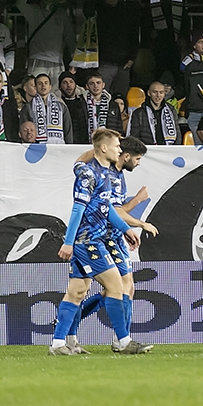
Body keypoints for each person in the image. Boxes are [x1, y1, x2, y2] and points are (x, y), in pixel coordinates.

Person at [50, 128, 150, 355]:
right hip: (88, 241)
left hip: (92, 240)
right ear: (104, 148)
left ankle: (58, 343)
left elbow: (106, 209)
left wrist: (126, 229)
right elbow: (78, 209)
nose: (120, 150)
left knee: (77, 290)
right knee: (116, 287)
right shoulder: (88, 174)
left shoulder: (106, 174)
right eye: (116, 146)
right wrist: (68, 241)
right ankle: (123, 342)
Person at [19, 73, 73, 144]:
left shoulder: (61, 107)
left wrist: (69, 147)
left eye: (46, 83)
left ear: (50, 87)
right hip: (37, 147)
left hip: (58, 147)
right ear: (35, 87)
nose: (43, 86)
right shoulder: (28, 107)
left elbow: (68, 130)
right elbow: (24, 130)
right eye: (39, 83)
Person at [128, 80, 182, 145]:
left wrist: (174, 149)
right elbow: (135, 136)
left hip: (168, 151)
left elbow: (177, 133)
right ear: (148, 93)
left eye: (161, 92)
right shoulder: (139, 113)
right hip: (147, 151)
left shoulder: (171, 110)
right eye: (155, 92)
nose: (158, 95)